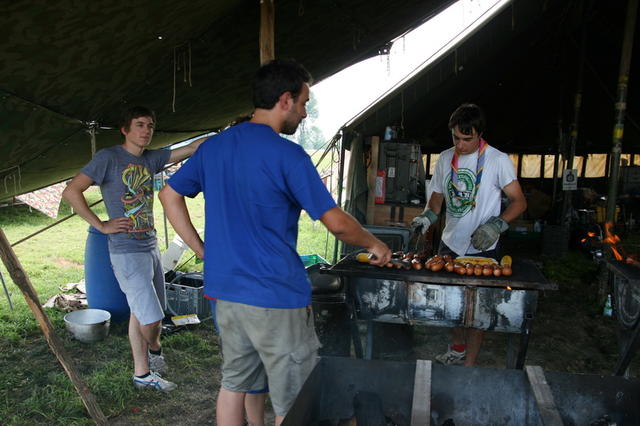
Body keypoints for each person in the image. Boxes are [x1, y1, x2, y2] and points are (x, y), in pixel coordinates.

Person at [159, 58, 392, 425]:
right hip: (276, 297)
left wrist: (203, 251)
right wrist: (375, 244)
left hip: (226, 293)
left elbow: (169, 195)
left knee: (233, 384)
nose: (303, 113)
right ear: (285, 99)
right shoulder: (289, 156)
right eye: (303, 104)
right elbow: (338, 224)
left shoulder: (214, 148)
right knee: (294, 401)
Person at [62, 106, 204, 391]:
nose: (146, 130)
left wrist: (230, 133)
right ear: (125, 129)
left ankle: (142, 373)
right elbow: (71, 192)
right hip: (125, 252)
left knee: (143, 312)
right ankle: (154, 348)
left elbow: (191, 147)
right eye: (139, 125)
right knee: (152, 318)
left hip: (150, 246)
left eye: (150, 125)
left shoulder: (151, 159)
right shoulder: (109, 158)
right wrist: (101, 225)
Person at [411, 103, 527, 367]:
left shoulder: (497, 160)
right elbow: (437, 198)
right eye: (455, 138)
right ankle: (457, 349)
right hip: (450, 243)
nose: (460, 145)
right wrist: (427, 216)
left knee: (478, 311)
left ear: (480, 134)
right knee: (451, 306)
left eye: (467, 138)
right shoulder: (444, 158)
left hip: (483, 247)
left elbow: (519, 202)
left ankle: (469, 364)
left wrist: (497, 225)